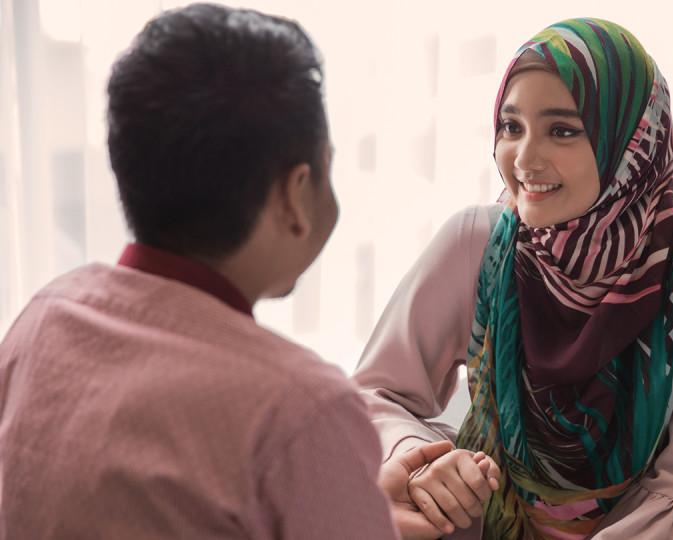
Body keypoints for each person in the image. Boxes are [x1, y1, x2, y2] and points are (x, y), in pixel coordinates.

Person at [354, 18, 673, 539]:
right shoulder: (476, 243)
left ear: (631, 141)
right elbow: (376, 393)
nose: (523, 159)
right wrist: (420, 458)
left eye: (562, 130)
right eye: (511, 126)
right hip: (515, 497)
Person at [0, 4, 477, 539]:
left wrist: (360, 510)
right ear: (295, 195)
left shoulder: (42, 318)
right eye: (328, 165)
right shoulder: (299, 408)